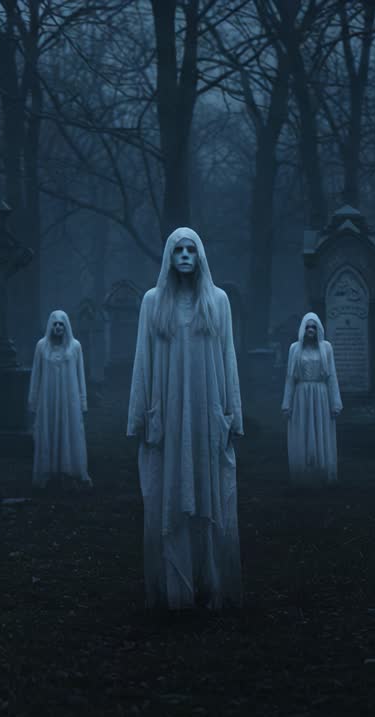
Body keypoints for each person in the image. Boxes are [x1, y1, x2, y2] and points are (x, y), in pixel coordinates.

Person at [126, 227, 243, 610]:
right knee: (171, 493)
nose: (186, 255)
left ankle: (209, 583)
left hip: (206, 412)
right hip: (169, 414)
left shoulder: (218, 302)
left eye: (192, 249)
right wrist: (139, 416)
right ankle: (174, 589)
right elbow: (143, 360)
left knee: (208, 494)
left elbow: (228, 359)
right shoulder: (153, 302)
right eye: (179, 250)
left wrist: (233, 415)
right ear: (169, 257)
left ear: (201, 255)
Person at [29, 310, 91, 490]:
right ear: (50, 326)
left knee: (69, 431)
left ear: (66, 326)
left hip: (69, 400)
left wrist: (83, 401)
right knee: (48, 429)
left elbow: (80, 375)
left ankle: (70, 470)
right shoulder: (41, 347)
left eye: (61, 324)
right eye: (55, 324)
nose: (58, 327)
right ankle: (48, 472)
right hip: (48, 399)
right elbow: (36, 375)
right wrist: (33, 400)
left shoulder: (75, 347)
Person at [282, 312, 342, 486]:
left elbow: (332, 376)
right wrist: (287, 403)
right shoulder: (295, 349)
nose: (310, 330)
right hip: (301, 395)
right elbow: (290, 378)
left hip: (321, 395)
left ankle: (322, 471)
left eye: (313, 327)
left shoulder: (326, 348)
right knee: (304, 427)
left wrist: (335, 403)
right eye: (307, 327)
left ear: (318, 329)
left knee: (320, 428)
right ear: (303, 328)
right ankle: (303, 473)